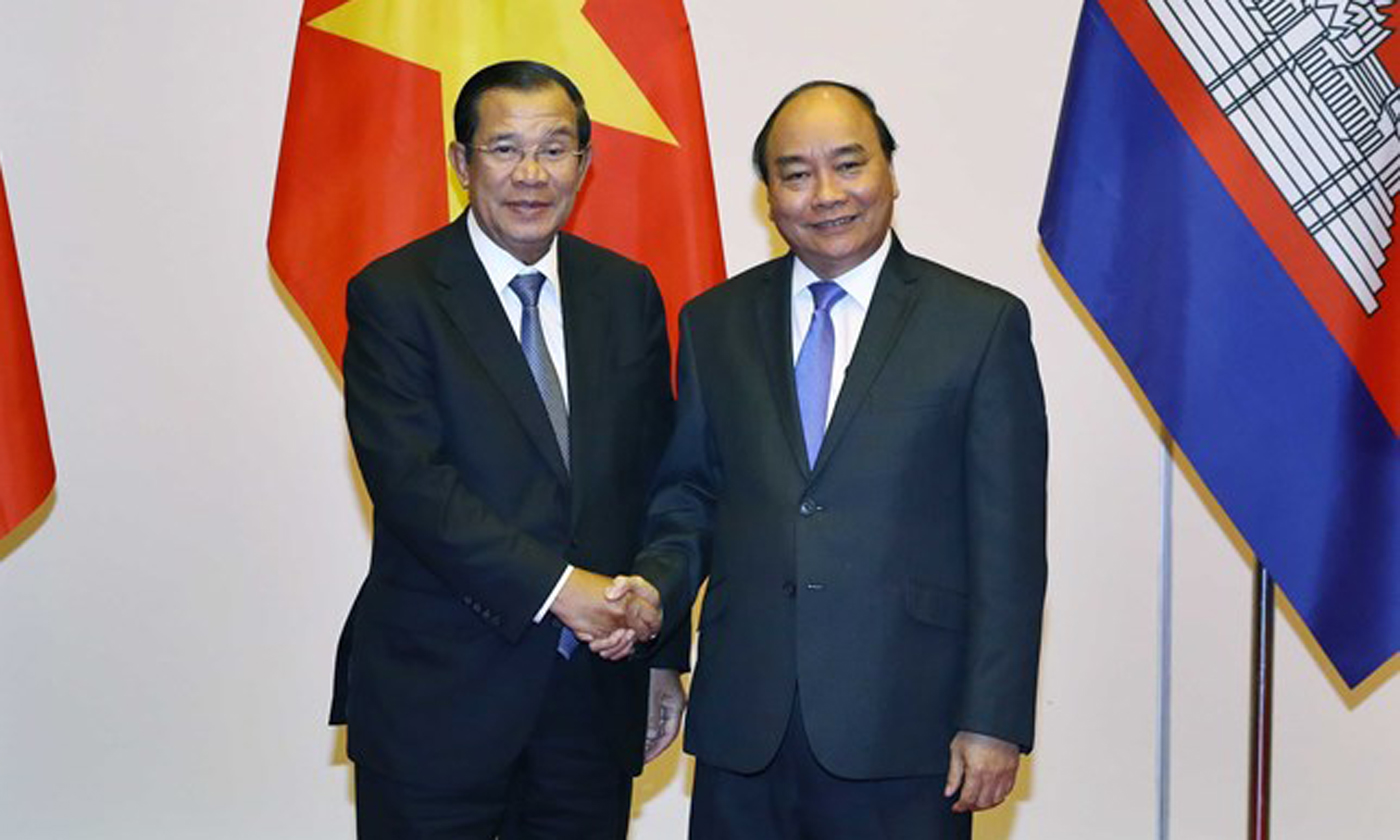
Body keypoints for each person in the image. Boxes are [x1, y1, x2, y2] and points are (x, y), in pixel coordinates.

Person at [627, 81, 1048, 839]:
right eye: (795, 174)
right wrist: (657, 635)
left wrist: (994, 720)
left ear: (889, 172)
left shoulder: (979, 326)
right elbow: (688, 497)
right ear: (768, 197)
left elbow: (1010, 544)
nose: (825, 194)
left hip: (907, 727)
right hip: (745, 728)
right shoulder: (715, 322)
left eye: (848, 165)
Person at [330, 60, 685, 840]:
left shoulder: (626, 292)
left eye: (555, 149)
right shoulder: (396, 295)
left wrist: (660, 643)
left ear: (585, 166)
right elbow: (414, 485)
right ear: (461, 163)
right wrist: (563, 589)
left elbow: (663, 480)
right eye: (504, 149)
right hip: (439, 703)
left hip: (592, 703)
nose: (531, 174)